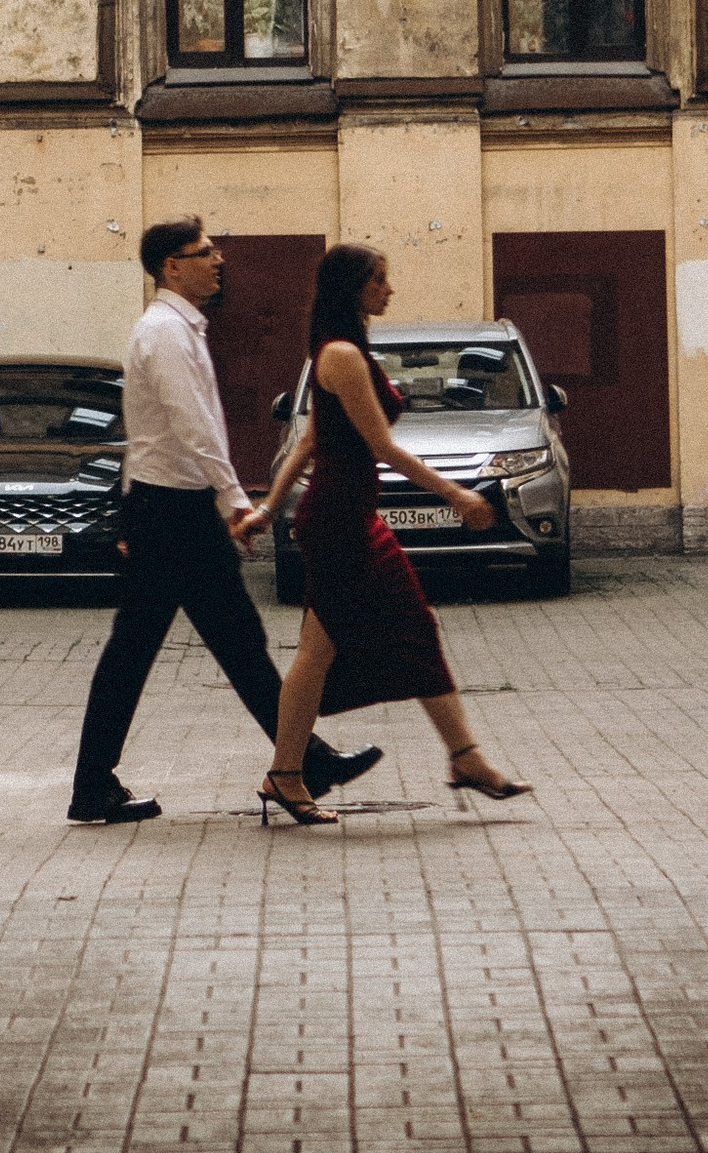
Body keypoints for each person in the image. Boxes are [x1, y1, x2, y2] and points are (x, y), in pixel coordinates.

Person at [65, 217, 386, 823]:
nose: (218, 261)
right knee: (190, 645)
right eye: (203, 253)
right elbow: (194, 429)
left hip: (170, 509)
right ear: (171, 268)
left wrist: (226, 500)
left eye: (215, 251)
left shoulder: (180, 328)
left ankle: (299, 761)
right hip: (170, 514)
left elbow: (195, 430)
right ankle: (300, 762)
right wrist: (237, 499)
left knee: (204, 643)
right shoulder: (163, 333)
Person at [252, 243, 532, 824]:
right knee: (323, 650)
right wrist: (455, 494)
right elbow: (379, 447)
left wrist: (269, 507)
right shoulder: (342, 356)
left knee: (355, 641)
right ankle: (288, 773)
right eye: (380, 280)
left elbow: (309, 440)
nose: (389, 289)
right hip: (340, 523)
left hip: (348, 519)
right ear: (355, 287)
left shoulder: (345, 352)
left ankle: (461, 757)